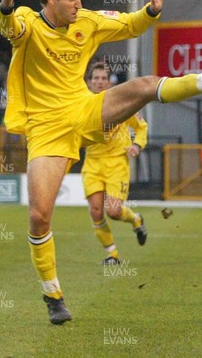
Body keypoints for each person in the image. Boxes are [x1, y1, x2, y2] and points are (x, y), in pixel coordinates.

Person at [0, 0, 202, 324]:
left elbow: (130, 25)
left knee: (142, 86)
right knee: (38, 217)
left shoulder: (89, 21)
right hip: (47, 128)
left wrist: (152, 11)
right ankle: (53, 294)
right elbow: (9, 29)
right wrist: (5, 2)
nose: (80, 5)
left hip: (85, 109)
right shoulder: (27, 21)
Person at [81, 62, 148, 265]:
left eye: (103, 78)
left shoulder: (120, 103)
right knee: (95, 211)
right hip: (92, 164)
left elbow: (141, 127)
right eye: (96, 78)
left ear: (109, 82)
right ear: (89, 82)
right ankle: (112, 255)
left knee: (113, 210)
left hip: (116, 163)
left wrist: (136, 144)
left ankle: (136, 220)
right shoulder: (82, 103)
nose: (100, 82)